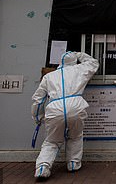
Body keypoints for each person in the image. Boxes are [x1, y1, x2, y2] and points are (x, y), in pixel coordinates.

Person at [31, 51, 99, 179]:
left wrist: (37, 117)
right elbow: (93, 62)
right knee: (75, 136)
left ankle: (42, 168)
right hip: (76, 106)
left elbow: (38, 100)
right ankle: (73, 164)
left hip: (55, 108)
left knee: (52, 141)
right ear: (74, 62)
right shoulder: (80, 69)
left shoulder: (49, 77)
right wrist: (79, 54)